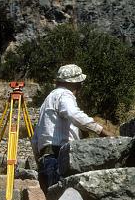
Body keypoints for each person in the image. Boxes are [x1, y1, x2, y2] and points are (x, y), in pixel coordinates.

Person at [31, 64, 112, 193]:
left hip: (46, 158)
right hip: (59, 156)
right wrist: (101, 131)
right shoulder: (64, 94)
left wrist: (40, 160)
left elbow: (35, 139)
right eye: (80, 83)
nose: (80, 87)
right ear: (74, 83)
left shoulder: (47, 100)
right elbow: (73, 114)